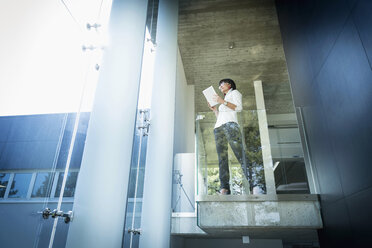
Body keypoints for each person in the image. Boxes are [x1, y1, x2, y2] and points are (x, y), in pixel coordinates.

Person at [208, 78, 249, 195]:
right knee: (222, 159)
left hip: (230, 126)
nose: (220, 87)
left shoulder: (235, 93)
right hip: (219, 128)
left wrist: (221, 101)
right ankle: (224, 187)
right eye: (219, 85)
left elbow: (239, 108)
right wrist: (215, 110)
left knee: (240, 154)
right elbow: (221, 117)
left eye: (222, 84)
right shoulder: (224, 99)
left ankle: (255, 184)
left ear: (229, 85)